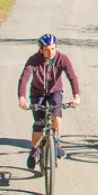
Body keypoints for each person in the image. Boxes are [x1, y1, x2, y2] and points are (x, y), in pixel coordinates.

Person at [17, 34, 82, 170]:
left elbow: (72, 77)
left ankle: (57, 143)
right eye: (46, 49)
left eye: (53, 48)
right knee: (39, 124)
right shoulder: (34, 60)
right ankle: (34, 151)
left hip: (55, 91)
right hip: (38, 93)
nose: (50, 52)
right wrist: (22, 98)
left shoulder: (62, 59)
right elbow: (24, 78)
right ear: (41, 50)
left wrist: (76, 96)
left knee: (56, 113)